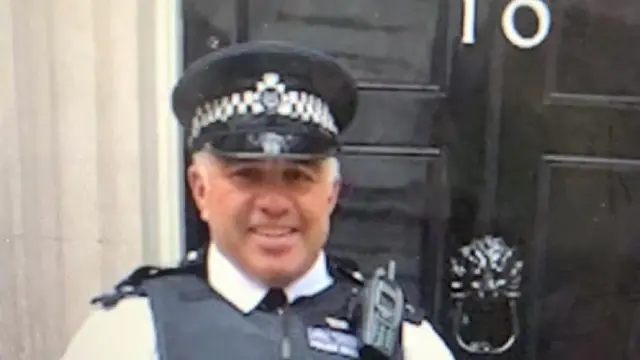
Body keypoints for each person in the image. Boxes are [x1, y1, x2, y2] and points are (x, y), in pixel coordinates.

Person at [59, 41, 455, 360]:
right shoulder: (131, 333)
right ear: (200, 190)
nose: (274, 203)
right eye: (246, 175)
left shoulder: (405, 341)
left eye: (297, 176)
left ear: (331, 193)